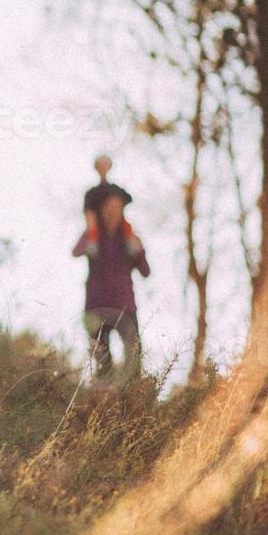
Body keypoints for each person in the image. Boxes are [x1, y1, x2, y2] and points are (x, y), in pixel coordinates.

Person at [71, 161, 149, 383]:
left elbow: (145, 271)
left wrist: (138, 251)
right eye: (108, 206)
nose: (113, 210)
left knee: (134, 362)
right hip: (96, 306)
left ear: (123, 208)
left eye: (118, 206)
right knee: (102, 364)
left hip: (126, 307)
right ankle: (103, 410)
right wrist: (89, 232)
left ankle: (133, 405)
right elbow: (75, 252)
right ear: (101, 209)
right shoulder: (93, 236)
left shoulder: (130, 238)